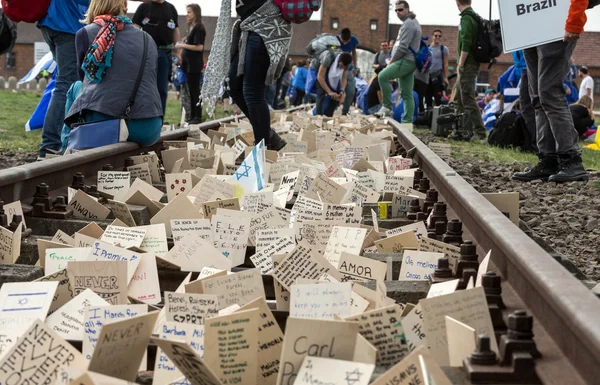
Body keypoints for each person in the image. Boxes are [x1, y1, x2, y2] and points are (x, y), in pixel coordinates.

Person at [62, 0, 163, 149]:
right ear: (124, 6)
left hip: (103, 122)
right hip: (148, 128)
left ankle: (65, 149)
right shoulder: (147, 39)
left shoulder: (85, 34)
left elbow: (84, 83)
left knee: (75, 87)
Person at [512, 0, 588, 182]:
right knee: (538, 96)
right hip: (529, 26)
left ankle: (571, 160)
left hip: (553, 22)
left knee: (549, 92)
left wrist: (574, 22)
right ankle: (548, 159)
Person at [227, 0, 290, 150]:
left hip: (265, 23)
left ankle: (263, 149)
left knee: (253, 92)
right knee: (234, 85)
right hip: (249, 26)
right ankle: (268, 136)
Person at [37, 0, 90, 157]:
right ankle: (50, 145)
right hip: (67, 25)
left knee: (63, 82)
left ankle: (55, 142)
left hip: (51, 22)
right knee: (65, 85)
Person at [375, 1, 421, 121]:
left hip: (405, 60)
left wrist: (391, 62)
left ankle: (387, 106)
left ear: (407, 9)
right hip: (410, 61)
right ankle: (407, 124)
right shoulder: (411, 22)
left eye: (400, 10)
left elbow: (402, 47)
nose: (398, 13)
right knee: (407, 94)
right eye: (396, 10)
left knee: (382, 76)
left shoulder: (408, 24)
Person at [133, 0, 180, 116]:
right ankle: (143, 116)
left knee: (162, 89)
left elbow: (175, 30)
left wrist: (178, 52)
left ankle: (159, 118)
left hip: (164, 53)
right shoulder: (144, 7)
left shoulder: (171, 9)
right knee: (144, 86)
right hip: (147, 52)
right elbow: (135, 27)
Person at [451, 0, 487, 141]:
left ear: (457, 2)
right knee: (459, 99)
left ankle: (480, 134)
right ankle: (459, 129)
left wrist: (461, 63)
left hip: (468, 64)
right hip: (469, 64)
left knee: (467, 98)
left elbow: (466, 42)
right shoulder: (473, 16)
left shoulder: (467, 18)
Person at [175, 4, 205, 124]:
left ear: (196, 13)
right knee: (191, 92)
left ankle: (197, 116)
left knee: (195, 91)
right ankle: (192, 115)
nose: (187, 15)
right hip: (188, 65)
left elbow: (199, 47)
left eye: (189, 12)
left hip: (194, 65)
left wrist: (182, 45)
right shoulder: (192, 28)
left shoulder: (199, 28)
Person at [315, 52, 352, 117]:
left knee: (335, 96)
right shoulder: (329, 58)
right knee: (321, 93)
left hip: (334, 77)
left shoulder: (347, 65)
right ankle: (318, 115)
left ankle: (328, 116)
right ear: (339, 60)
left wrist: (342, 90)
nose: (342, 68)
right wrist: (329, 92)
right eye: (341, 66)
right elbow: (320, 77)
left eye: (344, 67)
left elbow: (344, 78)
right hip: (321, 72)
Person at [426, 29, 449, 108]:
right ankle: (428, 116)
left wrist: (446, 77)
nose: (438, 37)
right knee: (428, 98)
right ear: (432, 37)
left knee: (438, 98)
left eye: (439, 36)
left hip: (438, 76)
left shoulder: (443, 49)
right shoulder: (427, 48)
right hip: (428, 76)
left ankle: (437, 116)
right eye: (436, 35)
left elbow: (446, 64)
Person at [338, 28, 359, 115]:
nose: (345, 43)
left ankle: (345, 111)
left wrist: (354, 66)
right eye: (343, 41)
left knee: (351, 90)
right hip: (338, 68)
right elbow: (331, 51)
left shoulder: (354, 40)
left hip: (348, 68)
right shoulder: (335, 41)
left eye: (347, 41)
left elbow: (354, 52)